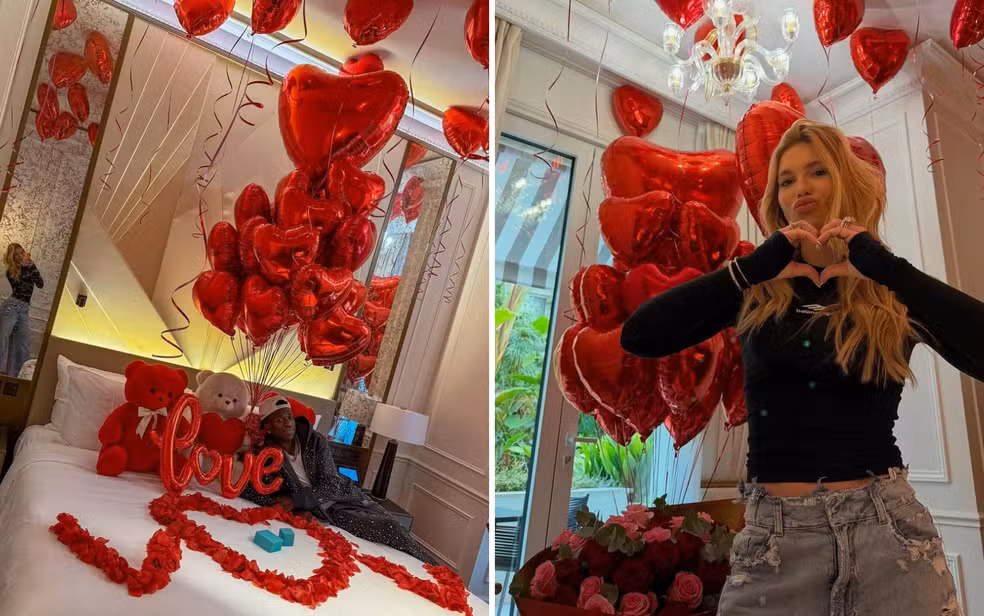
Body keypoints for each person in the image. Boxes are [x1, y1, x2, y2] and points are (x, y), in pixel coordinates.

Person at [621, 120, 979, 615]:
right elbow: (640, 335)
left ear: (845, 181)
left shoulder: (890, 296)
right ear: (777, 201)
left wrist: (889, 270)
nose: (800, 188)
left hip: (889, 536)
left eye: (817, 171)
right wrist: (750, 269)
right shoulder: (753, 293)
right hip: (774, 541)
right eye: (786, 180)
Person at [240, 395, 437, 565]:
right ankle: (436, 572)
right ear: (267, 427)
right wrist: (295, 508)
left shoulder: (314, 441)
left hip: (343, 497)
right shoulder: (266, 455)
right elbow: (256, 489)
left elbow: (331, 484)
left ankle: (437, 571)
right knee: (390, 528)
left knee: (396, 526)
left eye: (289, 417)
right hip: (330, 512)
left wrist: (296, 501)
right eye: (279, 420)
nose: (288, 423)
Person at [1, 243, 42, 377]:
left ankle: (15, 377)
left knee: (22, 343)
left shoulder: (30, 268)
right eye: (16, 254)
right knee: (2, 339)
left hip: (24, 309)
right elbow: (20, 288)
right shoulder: (10, 272)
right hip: (11, 307)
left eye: (21, 252)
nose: (20, 256)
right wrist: (25, 268)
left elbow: (40, 284)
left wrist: (32, 266)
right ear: (12, 257)